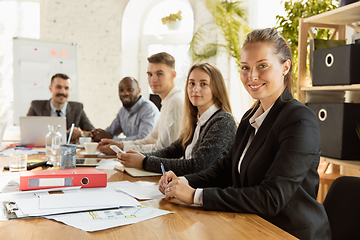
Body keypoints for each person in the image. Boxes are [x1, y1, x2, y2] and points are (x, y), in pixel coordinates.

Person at [158, 28, 331, 240]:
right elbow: (225, 170)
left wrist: (195, 196)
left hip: (288, 232)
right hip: (250, 225)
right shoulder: (251, 116)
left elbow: (271, 198)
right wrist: (182, 182)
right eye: (245, 68)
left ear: (285, 66)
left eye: (263, 66)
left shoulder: (299, 120)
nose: (252, 76)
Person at [116, 63, 237, 176]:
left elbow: (197, 165)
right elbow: (170, 151)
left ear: (216, 89)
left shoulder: (223, 121)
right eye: (192, 83)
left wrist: (144, 161)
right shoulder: (197, 120)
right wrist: (138, 156)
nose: (195, 89)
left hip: (205, 195)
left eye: (203, 84)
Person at [98, 52, 184, 154]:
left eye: (159, 74)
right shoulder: (167, 100)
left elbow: (164, 149)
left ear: (173, 75)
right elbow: (151, 139)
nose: (153, 79)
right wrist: (121, 145)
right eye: (150, 74)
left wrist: (122, 149)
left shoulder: (175, 102)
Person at [91, 77, 159, 142]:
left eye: (129, 89)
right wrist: (98, 134)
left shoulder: (149, 110)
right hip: (130, 152)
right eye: (121, 90)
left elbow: (143, 140)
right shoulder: (123, 111)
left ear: (139, 91)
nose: (125, 94)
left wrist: (111, 139)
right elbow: (110, 132)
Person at [27, 73, 94, 140]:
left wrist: (81, 134)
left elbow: (92, 132)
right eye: (58, 87)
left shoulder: (77, 108)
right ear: (50, 88)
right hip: (43, 147)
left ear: (70, 90)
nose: (62, 92)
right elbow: (26, 131)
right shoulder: (36, 106)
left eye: (66, 88)